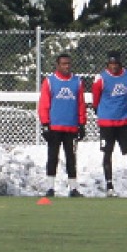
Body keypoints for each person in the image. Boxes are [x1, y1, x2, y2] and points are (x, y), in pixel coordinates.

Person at [91, 51, 127, 197]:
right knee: (107, 152)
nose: (113, 67)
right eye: (111, 64)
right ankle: (109, 187)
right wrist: (100, 112)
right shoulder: (101, 78)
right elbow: (96, 99)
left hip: (124, 121)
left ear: (120, 64)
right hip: (107, 122)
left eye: (116, 64)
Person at [37, 53, 87, 197]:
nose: (66, 66)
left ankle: (73, 188)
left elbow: (81, 104)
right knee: (53, 156)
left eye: (68, 64)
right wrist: (45, 123)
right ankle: (50, 187)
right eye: (64, 64)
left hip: (70, 126)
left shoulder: (77, 82)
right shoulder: (50, 81)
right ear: (57, 65)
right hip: (54, 126)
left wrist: (82, 123)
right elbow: (44, 104)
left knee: (71, 157)